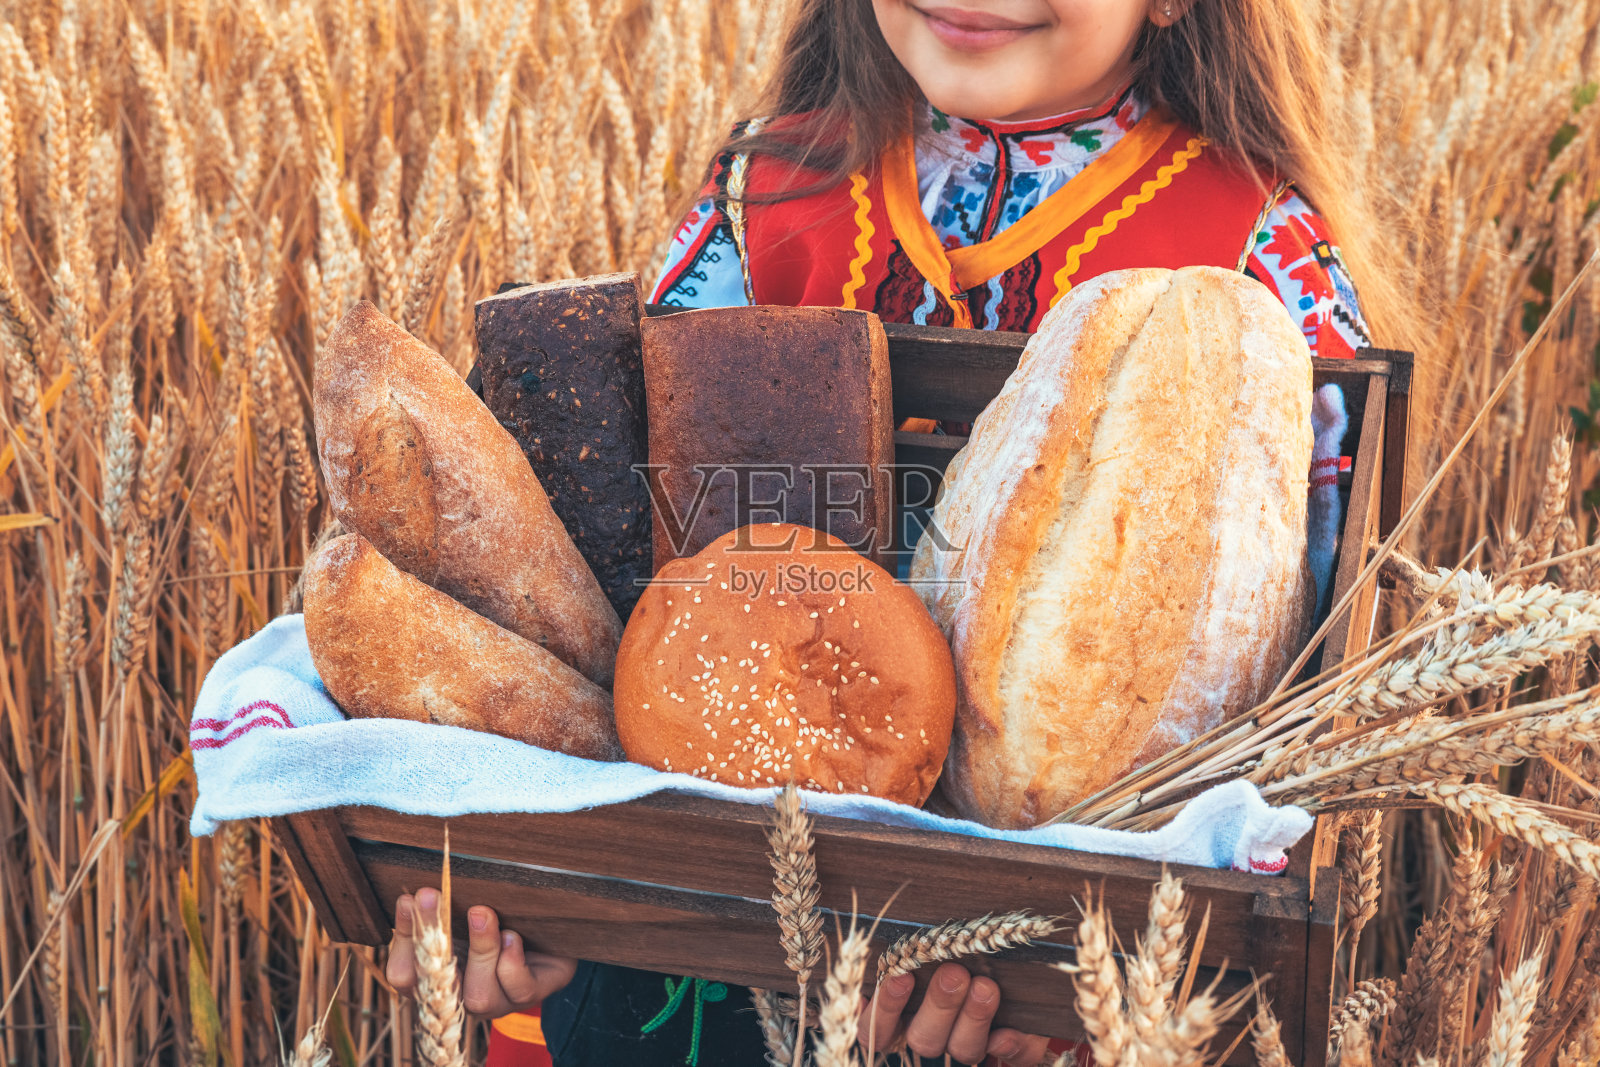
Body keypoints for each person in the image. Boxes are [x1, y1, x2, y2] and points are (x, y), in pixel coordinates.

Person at [389, 1, 1415, 1064]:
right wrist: (554, 904)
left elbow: (1302, 701)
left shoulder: (1258, 258)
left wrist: (1082, 1002)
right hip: (702, 955)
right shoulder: (764, 205)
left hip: (1051, 977)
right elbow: (609, 618)